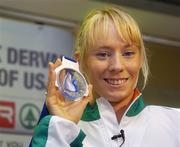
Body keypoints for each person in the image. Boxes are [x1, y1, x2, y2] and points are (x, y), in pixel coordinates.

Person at [30, 6, 180, 147]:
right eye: (103, 54)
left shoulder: (174, 123)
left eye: (128, 53)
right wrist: (62, 127)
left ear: (140, 59)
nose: (117, 66)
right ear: (81, 62)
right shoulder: (61, 127)